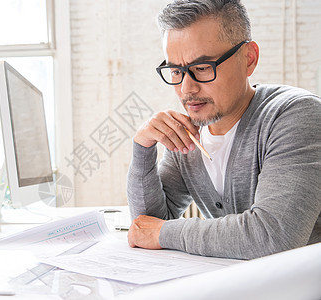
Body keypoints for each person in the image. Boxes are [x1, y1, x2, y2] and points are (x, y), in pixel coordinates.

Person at [127, 0, 321, 260]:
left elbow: (274, 235)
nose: (186, 89)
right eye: (176, 71)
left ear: (248, 59)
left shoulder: (295, 115)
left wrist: (165, 234)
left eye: (203, 68)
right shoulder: (190, 135)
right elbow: (147, 224)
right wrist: (143, 148)